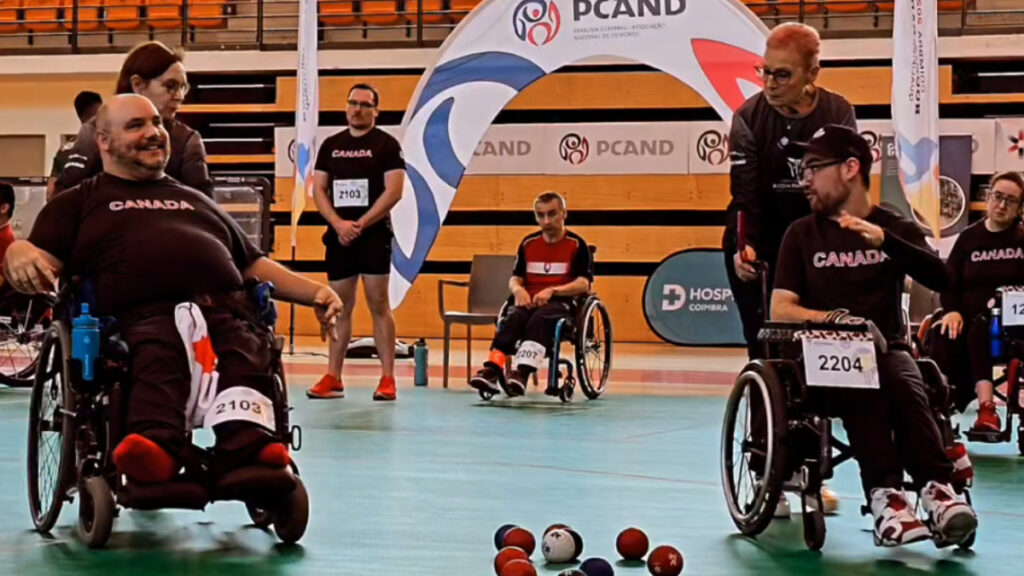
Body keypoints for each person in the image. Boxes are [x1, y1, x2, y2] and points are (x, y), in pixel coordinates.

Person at [4, 94, 343, 488]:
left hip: (224, 311)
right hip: (139, 318)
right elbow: (36, 257)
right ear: (103, 140)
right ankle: (155, 447)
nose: (154, 133)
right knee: (156, 351)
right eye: (136, 126)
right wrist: (17, 251)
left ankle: (250, 442)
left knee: (245, 346)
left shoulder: (197, 200)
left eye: (157, 124)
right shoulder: (77, 203)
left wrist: (317, 293)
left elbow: (252, 264)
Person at [771, 124, 977, 548]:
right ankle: (886, 496)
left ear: (850, 168)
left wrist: (888, 243)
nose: (804, 178)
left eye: (813, 167)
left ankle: (938, 491)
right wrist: (832, 319)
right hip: (825, 358)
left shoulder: (892, 227)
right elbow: (781, 308)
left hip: (888, 350)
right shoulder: (800, 235)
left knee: (905, 379)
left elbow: (942, 277)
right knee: (859, 377)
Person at [722, 22, 857, 360]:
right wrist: (743, 248)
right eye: (764, 72)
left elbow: (842, 189)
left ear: (812, 73)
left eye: (782, 75)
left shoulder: (838, 113)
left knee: (822, 335)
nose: (769, 84)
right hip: (761, 233)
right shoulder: (748, 118)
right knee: (763, 343)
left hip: (814, 233)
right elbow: (744, 194)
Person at [305, 83, 405, 402]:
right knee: (339, 306)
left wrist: (361, 224)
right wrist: (338, 224)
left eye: (365, 104)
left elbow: (394, 191)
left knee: (378, 304)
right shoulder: (331, 145)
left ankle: (387, 378)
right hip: (339, 238)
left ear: (376, 110)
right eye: (353, 103)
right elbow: (319, 189)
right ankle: (333, 376)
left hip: (373, 236)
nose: (357, 109)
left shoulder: (387, 145)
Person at [469, 192, 593, 397]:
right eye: (540, 215)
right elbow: (515, 277)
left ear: (564, 214)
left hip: (560, 304)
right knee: (513, 318)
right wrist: (518, 290)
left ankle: (522, 373)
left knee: (540, 319)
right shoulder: (528, 243)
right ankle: (492, 369)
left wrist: (554, 290)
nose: (546, 221)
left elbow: (584, 284)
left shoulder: (577, 245)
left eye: (552, 214)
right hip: (529, 300)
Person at [54, 41, 213, 197]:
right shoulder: (94, 130)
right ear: (138, 85)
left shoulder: (187, 140)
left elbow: (204, 206)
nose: (179, 96)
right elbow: (63, 195)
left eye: (183, 87)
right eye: (170, 86)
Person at [930, 171, 1024, 431]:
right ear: (988, 197)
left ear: (1019, 208)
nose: (1002, 205)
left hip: (1012, 325)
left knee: (983, 327)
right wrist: (950, 311)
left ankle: (987, 409)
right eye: (998, 197)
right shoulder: (969, 238)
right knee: (941, 331)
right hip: (966, 318)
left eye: (1011, 200)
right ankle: (937, 404)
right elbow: (949, 282)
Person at [47, 91, 103, 200]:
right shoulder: (103, 143)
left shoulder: (64, 149)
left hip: (70, 208)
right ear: (100, 111)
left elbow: (50, 192)